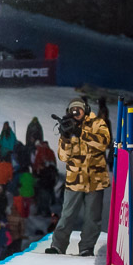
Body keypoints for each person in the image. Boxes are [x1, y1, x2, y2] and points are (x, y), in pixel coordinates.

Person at [46, 97, 111, 256]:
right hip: (75, 180)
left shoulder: (97, 123)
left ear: (85, 110)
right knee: (67, 215)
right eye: (73, 110)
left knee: (92, 218)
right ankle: (58, 246)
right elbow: (63, 156)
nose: (76, 112)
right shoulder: (68, 126)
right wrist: (66, 137)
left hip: (95, 180)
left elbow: (104, 142)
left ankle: (86, 248)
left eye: (79, 109)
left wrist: (81, 133)